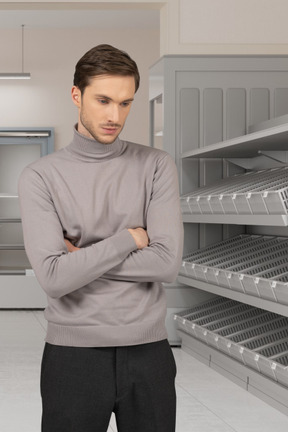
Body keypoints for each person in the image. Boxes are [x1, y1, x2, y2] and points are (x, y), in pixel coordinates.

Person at [18, 44, 183, 432]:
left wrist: (81, 259)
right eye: (103, 100)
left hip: (149, 354)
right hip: (71, 358)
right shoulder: (40, 176)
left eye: (125, 103)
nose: (115, 116)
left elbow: (166, 263)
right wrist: (128, 238)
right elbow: (54, 278)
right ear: (76, 95)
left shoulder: (156, 165)